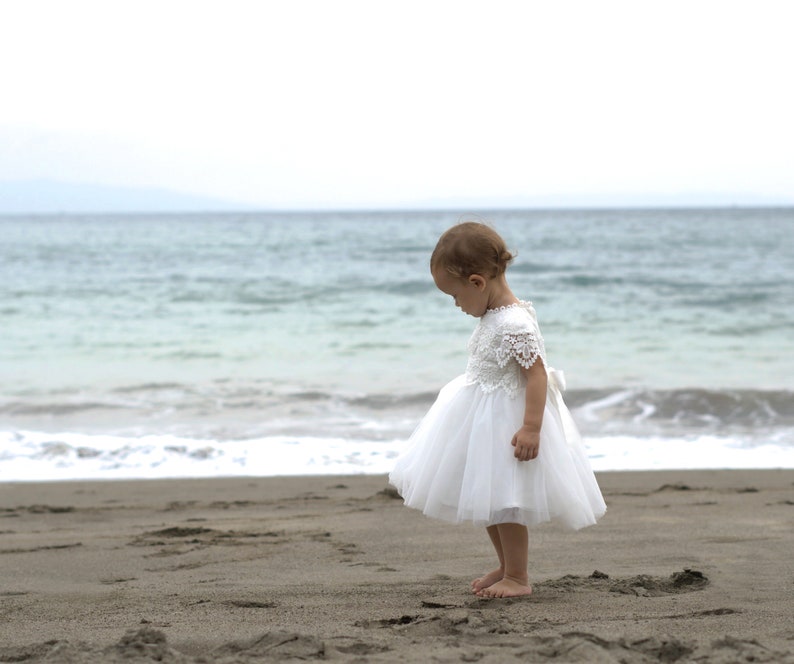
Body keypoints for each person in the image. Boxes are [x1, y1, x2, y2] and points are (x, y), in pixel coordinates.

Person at [389, 221, 606, 599]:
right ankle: (506, 566)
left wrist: (531, 428)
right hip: (481, 414)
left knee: (507, 501)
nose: (457, 305)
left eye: (455, 296)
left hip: (508, 421)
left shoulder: (514, 323)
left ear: (477, 283)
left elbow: (537, 376)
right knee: (487, 498)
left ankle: (519, 578)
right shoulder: (494, 315)